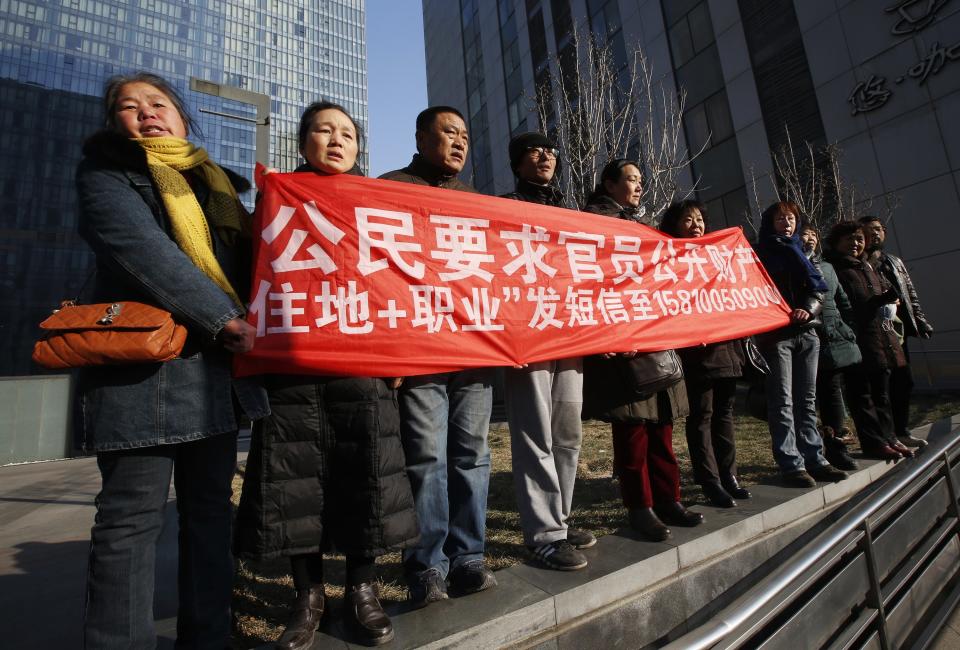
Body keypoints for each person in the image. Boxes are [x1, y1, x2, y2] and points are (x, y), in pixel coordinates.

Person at [76, 72, 269, 649]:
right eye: (128, 108)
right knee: (130, 521)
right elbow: (142, 251)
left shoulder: (215, 188)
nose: (146, 113)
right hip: (143, 374)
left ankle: (208, 637)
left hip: (211, 376)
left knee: (210, 513)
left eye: (158, 103)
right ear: (115, 125)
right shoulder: (108, 176)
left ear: (183, 117)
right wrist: (223, 317)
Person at [234, 102, 418, 648]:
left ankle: (361, 590)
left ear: (359, 148)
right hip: (293, 370)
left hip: (363, 367)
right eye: (323, 130)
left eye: (347, 133)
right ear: (302, 141)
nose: (337, 140)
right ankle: (307, 595)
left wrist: (401, 355)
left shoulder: (376, 206)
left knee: (366, 477)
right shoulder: (277, 199)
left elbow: (403, 282)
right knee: (299, 484)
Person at [378, 106, 497, 606]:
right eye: (449, 133)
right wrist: (390, 353)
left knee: (472, 456)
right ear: (422, 137)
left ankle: (469, 557)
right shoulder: (389, 189)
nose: (459, 143)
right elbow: (378, 277)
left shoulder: (479, 202)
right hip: (419, 350)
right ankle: (427, 565)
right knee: (427, 458)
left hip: (474, 350)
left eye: (465, 136)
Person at [582, 159, 702, 542]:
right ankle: (640, 507)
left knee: (662, 429)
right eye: (631, 179)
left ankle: (669, 499)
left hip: (653, 334)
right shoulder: (593, 223)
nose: (638, 186)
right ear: (608, 184)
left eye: (640, 181)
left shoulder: (639, 225)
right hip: (622, 341)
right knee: (633, 433)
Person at [499, 132, 595, 571]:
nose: (545, 157)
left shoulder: (571, 212)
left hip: (569, 332)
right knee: (534, 432)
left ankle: (561, 518)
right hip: (527, 335)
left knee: (568, 433)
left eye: (552, 151)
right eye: (535, 151)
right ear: (518, 163)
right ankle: (543, 534)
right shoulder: (499, 208)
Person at [660, 200, 751, 508]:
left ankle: (730, 475)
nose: (696, 224)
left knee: (724, 415)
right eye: (688, 219)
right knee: (702, 416)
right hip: (696, 352)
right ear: (674, 225)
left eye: (700, 219)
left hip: (727, 349)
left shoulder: (718, 258)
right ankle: (710, 480)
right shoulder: (669, 262)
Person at [754, 202, 848, 487]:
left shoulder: (803, 252)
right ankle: (791, 464)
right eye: (780, 218)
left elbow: (819, 290)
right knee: (782, 401)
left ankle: (815, 458)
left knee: (806, 400)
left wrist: (808, 308)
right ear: (769, 223)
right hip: (776, 335)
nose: (787, 223)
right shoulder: (758, 254)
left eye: (791, 218)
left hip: (808, 332)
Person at [825, 221, 913, 461]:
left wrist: (891, 298)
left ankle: (889, 436)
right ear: (836, 242)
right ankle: (873, 442)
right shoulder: (834, 268)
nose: (855, 243)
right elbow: (843, 307)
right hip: (857, 340)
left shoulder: (868, 266)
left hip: (882, 337)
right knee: (862, 395)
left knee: (882, 394)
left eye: (859, 239)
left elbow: (883, 293)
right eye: (849, 239)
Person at [859, 215, 933, 448]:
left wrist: (919, 320)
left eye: (879, 229)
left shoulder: (893, 261)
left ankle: (901, 430)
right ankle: (885, 434)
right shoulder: (858, 262)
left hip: (896, 331)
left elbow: (910, 293)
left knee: (904, 381)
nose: (875, 234)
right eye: (869, 231)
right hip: (872, 333)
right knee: (879, 387)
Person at [799, 225, 860, 471]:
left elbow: (842, 301)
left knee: (833, 394)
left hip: (833, 340)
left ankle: (837, 448)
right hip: (805, 340)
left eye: (814, 234)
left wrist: (847, 328)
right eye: (805, 234)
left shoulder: (826, 268)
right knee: (806, 400)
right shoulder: (789, 265)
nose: (811, 238)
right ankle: (810, 452)